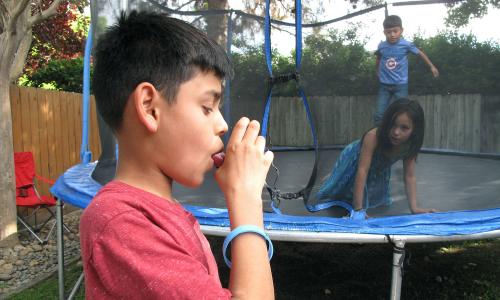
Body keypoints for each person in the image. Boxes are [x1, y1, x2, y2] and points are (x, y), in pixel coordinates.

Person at [79, 11, 275, 299]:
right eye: (208, 107)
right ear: (149, 107)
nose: (222, 125)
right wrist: (246, 202)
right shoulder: (119, 222)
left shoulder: (157, 210)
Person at [316, 98, 436, 218]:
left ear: (415, 130)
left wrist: (414, 208)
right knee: (337, 188)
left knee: (374, 196)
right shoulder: (373, 136)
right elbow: (362, 170)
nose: (396, 132)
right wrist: (358, 209)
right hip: (355, 158)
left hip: (379, 166)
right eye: (392, 125)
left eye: (404, 128)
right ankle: (332, 176)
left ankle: (334, 175)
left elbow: (409, 176)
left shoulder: (410, 143)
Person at [374, 15, 439, 124]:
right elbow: (378, 58)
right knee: (379, 114)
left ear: (401, 30)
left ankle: (399, 135)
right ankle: (378, 136)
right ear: (384, 32)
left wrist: (432, 66)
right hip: (384, 85)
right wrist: (377, 70)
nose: (392, 34)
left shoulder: (406, 45)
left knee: (400, 112)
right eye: (389, 32)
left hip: (400, 85)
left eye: (395, 31)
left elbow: (420, 54)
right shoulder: (382, 46)